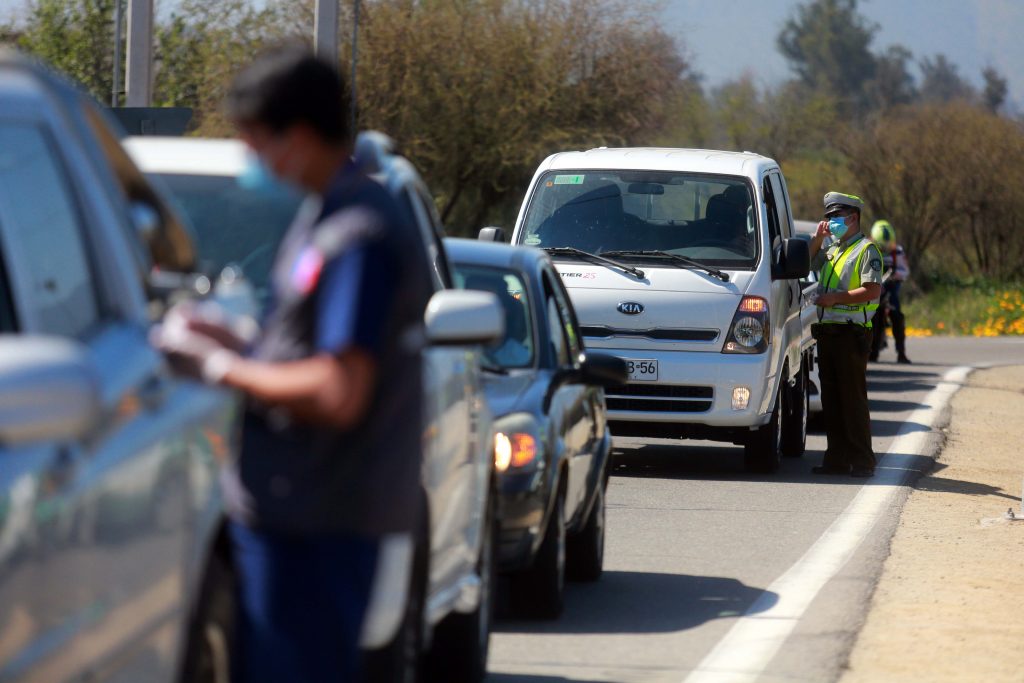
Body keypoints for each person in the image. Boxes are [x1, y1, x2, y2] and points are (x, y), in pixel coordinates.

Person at [153, 46, 431, 682]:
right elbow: (308, 348)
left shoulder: (357, 234)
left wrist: (221, 368)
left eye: (254, 142)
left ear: (298, 136)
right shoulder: (326, 213)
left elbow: (339, 389)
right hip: (297, 510)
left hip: (320, 520)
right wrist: (239, 339)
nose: (251, 160)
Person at [807, 192, 884, 478]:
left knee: (852, 400)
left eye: (836, 217)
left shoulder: (866, 250)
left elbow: (872, 290)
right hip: (829, 332)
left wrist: (835, 299)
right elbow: (807, 265)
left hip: (852, 334)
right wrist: (816, 239)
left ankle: (863, 461)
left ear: (853, 218)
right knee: (832, 399)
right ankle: (836, 460)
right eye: (828, 217)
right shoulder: (833, 248)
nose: (831, 222)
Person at [869, 219, 912, 364]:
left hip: (891, 289)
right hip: (873, 288)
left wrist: (895, 275)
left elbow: (905, 271)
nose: (885, 248)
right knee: (872, 318)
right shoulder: (868, 249)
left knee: (897, 316)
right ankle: (872, 352)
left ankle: (901, 353)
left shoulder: (897, 251)